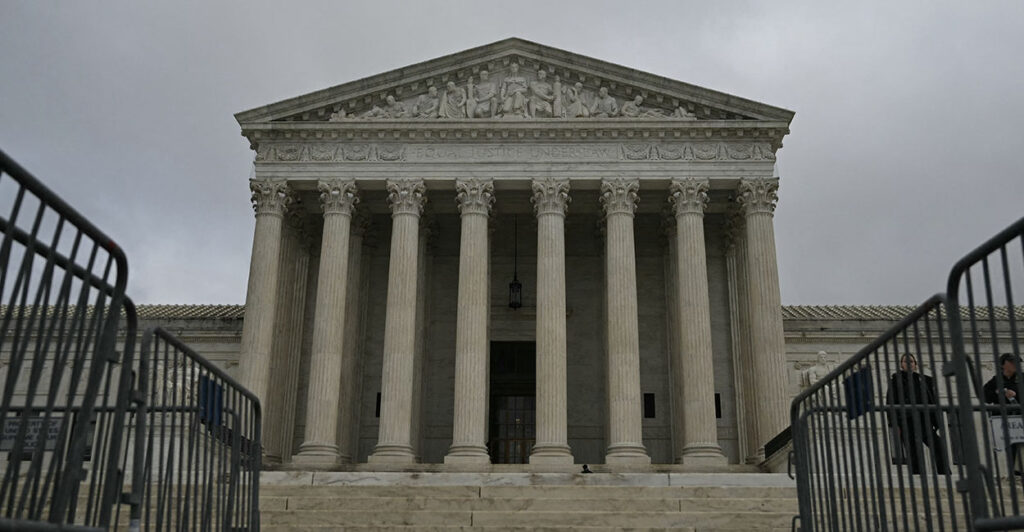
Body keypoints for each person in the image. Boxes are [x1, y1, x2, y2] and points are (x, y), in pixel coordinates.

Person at [886, 353, 950, 475]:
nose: (909, 364)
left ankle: (944, 472)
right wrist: (895, 423)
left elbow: (932, 399)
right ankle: (917, 475)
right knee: (913, 451)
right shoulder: (895, 381)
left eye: (911, 361)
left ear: (915, 365)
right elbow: (890, 402)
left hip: (924, 419)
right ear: (901, 365)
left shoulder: (924, 380)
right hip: (906, 420)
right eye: (905, 362)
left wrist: (936, 421)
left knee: (938, 446)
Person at [984, 353, 1023, 475]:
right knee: (1010, 446)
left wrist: (1016, 394)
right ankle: (1014, 473)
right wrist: (998, 393)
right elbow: (984, 396)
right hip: (1004, 420)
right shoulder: (996, 380)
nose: (1015, 364)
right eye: (1011, 362)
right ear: (1003, 365)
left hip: (1020, 418)